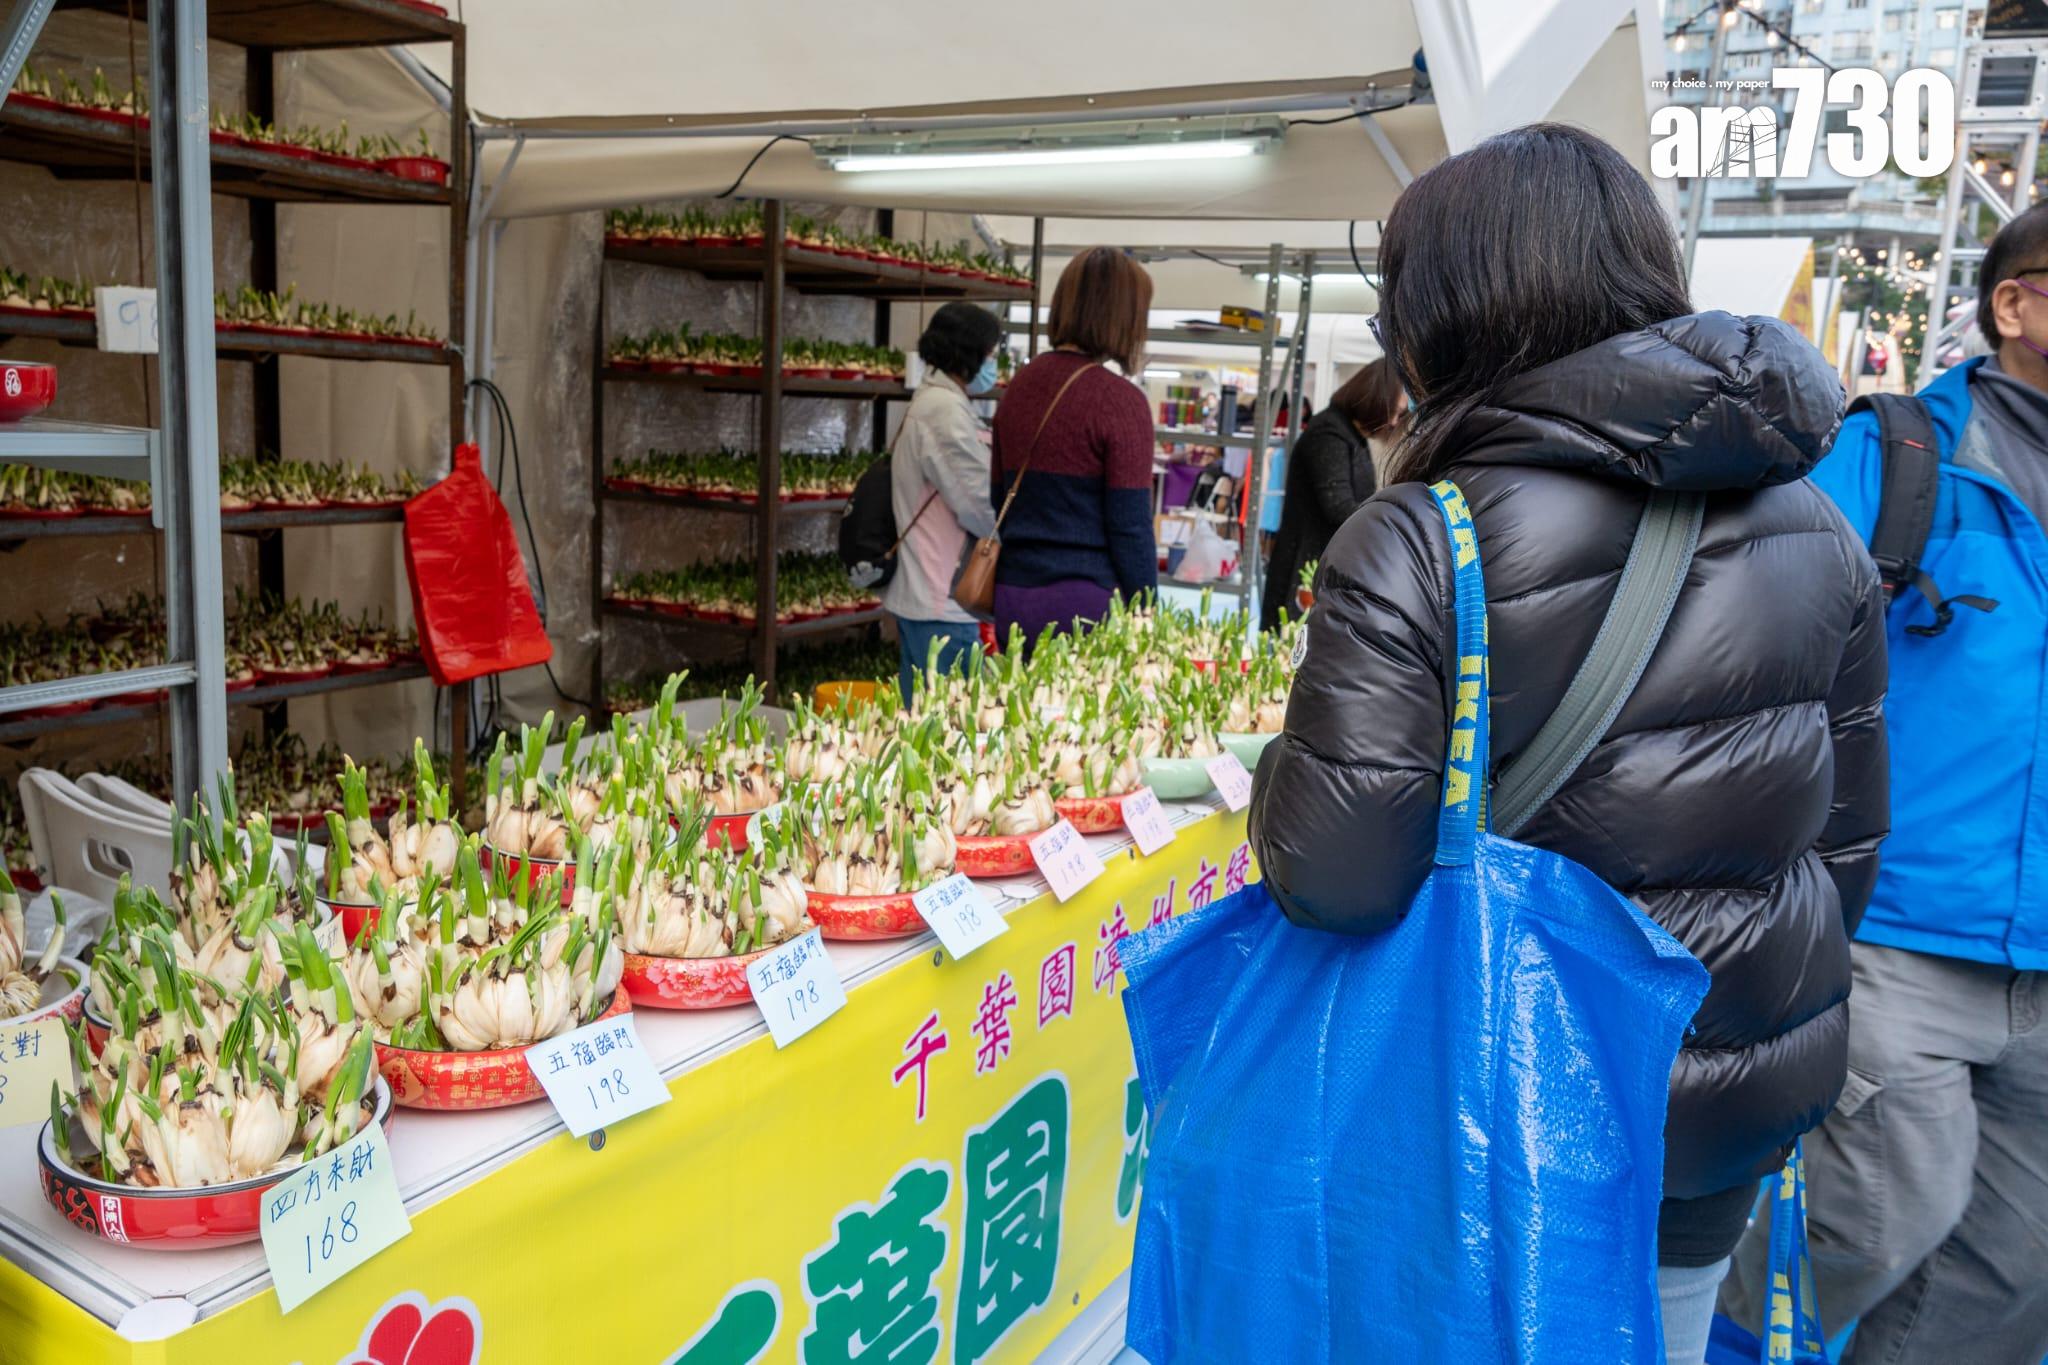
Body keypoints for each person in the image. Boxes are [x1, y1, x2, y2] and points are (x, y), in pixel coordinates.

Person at [1246, 124, 1888, 1365]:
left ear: (1442, 308)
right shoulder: (1817, 522)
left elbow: (1336, 877)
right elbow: (1846, 840)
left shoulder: (1424, 534)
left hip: (1495, 1106)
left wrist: (1276, 775)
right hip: (1725, 1101)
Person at [1720, 203, 2048, 1362]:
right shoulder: (1895, 456)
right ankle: (1699, 1337)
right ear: (2015, 306)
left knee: (2015, 1268)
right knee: (1873, 1214)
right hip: (1896, 927)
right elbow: (1752, 645)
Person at [988, 247, 1157, 643]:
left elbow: (999, 497)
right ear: (1122, 318)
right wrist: (1147, 609)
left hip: (1012, 594)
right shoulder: (1120, 401)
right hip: (1086, 604)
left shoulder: (1019, 388)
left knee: (1022, 705)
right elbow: (1130, 525)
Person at [881, 301, 1004, 701]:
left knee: (922, 715)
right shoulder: (944, 411)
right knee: (949, 726)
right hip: (941, 599)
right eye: (989, 353)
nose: (993, 362)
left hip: (930, 596)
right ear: (967, 353)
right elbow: (978, 504)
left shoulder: (937, 401)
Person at [1258, 358, 1406, 632]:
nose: (1394, 421)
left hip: (1319, 564)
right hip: (1303, 568)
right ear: (1375, 399)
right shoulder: (1328, 434)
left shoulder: (1349, 434)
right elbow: (1338, 506)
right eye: (1394, 412)